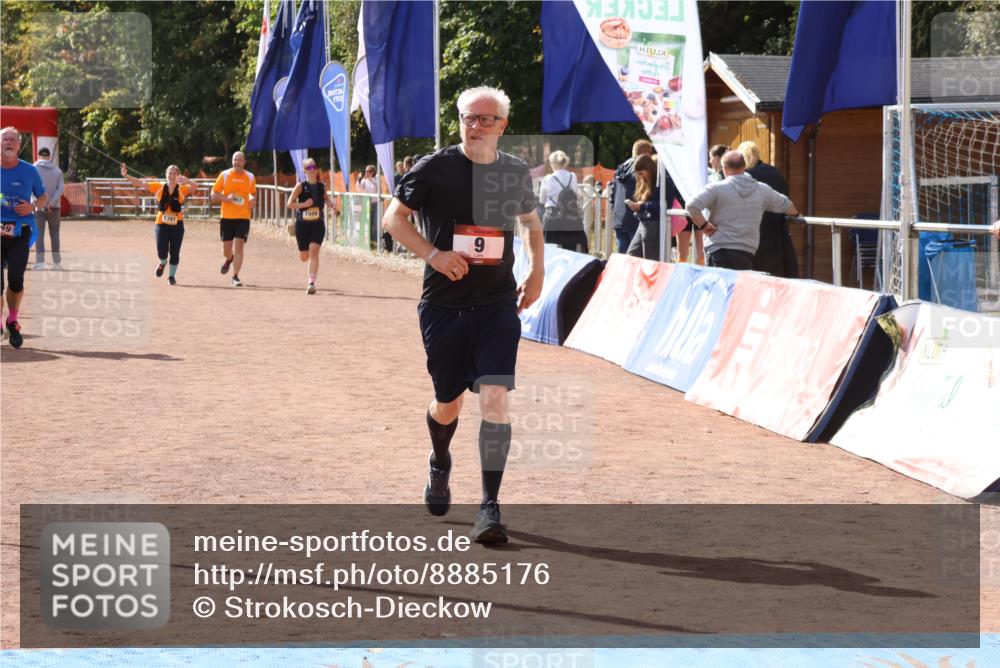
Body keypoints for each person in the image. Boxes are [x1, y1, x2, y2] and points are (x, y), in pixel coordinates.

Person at [382, 85, 544, 544]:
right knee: (448, 403)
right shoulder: (434, 167)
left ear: (502, 126)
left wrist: (537, 273)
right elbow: (393, 220)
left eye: (484, 120)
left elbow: (531, 223)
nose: (474, 126)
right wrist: (433, 255)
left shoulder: (514, 172)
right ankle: (439, 460)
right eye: (467, 118)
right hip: (444, 307)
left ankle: (490, 507)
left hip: (497, 305)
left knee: (495, 399)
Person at [686, 150, 799, 270]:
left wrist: (704, 225)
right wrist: (797, 214)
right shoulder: (762, 190)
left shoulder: (716, 189)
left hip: (718, 249)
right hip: (746, 251)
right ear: (745, 166)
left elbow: (691, 206)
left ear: (724, 169)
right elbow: (787, 205)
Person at [1, 126, 48, 349]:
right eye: (4, 139)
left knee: (16, 279)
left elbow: (43, 197)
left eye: (13, 139)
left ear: (19, 145)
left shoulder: (29, 171)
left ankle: (12, 319)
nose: (8, 142)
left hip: (20, 229)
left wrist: (32, 206)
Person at [120, 163, 196, 285]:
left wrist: (187, 180)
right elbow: (140, 183)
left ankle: (171, 276)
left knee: (175, 252)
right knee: (161, 250)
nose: (172, 174)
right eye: (169, 172)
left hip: (177, 225)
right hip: (162, 224)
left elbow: (195, 186)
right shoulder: (159, 187)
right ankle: (162, 262)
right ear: (166, 175)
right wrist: (126, 176)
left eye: (174, 172)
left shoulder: (183, 188)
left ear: (178, 175)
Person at [739, 141, 800, 278]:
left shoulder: (743, 177)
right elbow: (785, 198)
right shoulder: (774, 172)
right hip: (775, 231)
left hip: (751, 233)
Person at [285, 157, 337, 294]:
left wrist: (331, 205)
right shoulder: (300, 186)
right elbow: (289, 204)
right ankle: (304, 253)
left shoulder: (321, 186)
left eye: (314, 166)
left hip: (318, 224)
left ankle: (311, 283)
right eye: (309, 168)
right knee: (304, 256)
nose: (312, 170)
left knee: (314, 250)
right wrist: (303, 205)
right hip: (302, 225)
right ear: (304, 171)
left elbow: (326, 199)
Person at [211, 151, 256, 287]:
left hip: (243, 216)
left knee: (239, 246)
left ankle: (235, 276)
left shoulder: (250, 177)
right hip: (227, 217)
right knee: (226, 249)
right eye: (235, 160)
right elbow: (213, 194)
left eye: (240, 160)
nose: (237, 162)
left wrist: (252, 199)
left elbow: (252, 193)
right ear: (232, 161)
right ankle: (229, 258)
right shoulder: (224, 175)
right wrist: (226, 198)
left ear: (244, 162)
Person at [626, 154, 684, 260]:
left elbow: (664, 205)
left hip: (655, 226)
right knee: (631, 257)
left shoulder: (663, 180)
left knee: (651, 262)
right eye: (638, 174)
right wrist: (638, 207)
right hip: (644, 223)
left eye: (642, 173)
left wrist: (642, 206)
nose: (640, 177)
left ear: (649, 169)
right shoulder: (646, 182)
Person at [608, 139, 654, 254]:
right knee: (635, 259)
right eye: (650, 153)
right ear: (645, 153)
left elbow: (612, 195)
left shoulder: (620, 168)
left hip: (619, 219)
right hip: (635, 220)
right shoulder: (642, 169)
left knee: (623, 258)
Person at [538, 150, 588, 253]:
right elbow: (575, 195)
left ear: (552, 164)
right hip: (570, 218)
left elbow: (542, 200)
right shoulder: (572, 176)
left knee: (550, 252)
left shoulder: (548, 179)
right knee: (570, 252)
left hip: (552, 218)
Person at [32, 146, 64, 271]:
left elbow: (31, 188)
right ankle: (56, 263)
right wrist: (51, 202)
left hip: (38, 208)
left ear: (39, 156)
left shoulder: (33, 169)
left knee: (39, 234)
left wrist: (38, 202)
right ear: (49, 157)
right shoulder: (57, 171)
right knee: (55, 234)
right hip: (54, 208)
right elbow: (60, 189)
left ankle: (40, 263)